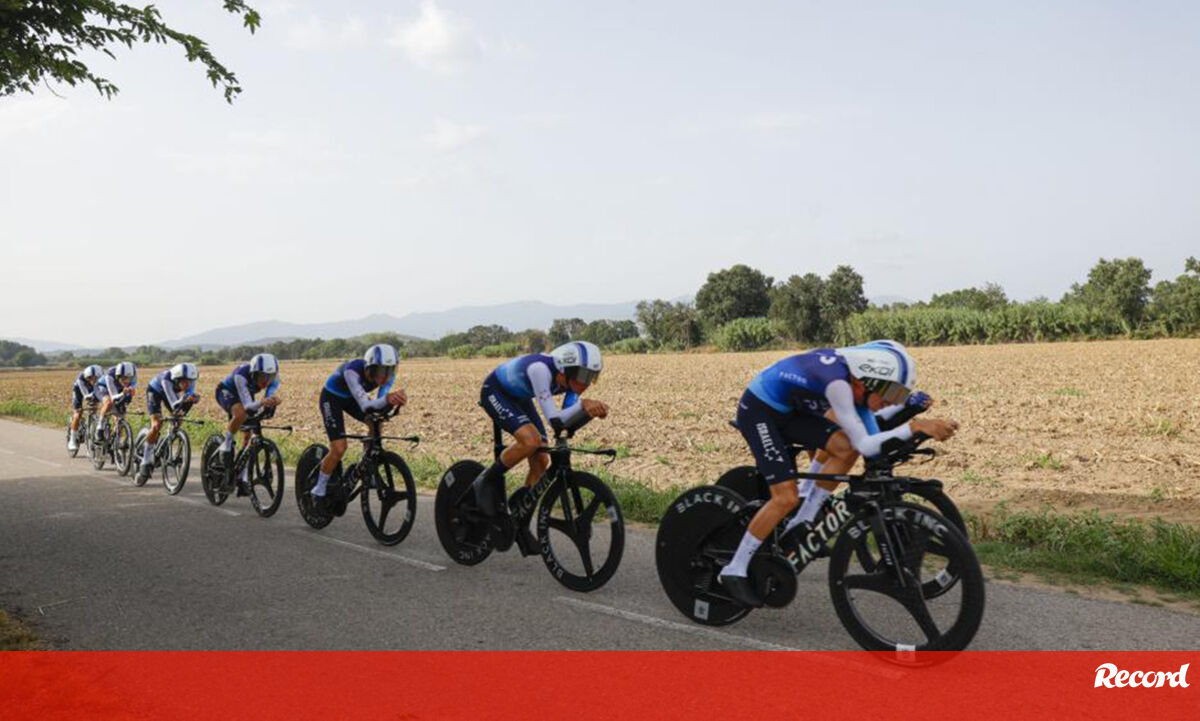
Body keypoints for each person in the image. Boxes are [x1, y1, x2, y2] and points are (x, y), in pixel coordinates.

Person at [718, 341, 959, 608]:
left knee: (846, 448)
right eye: (886, 397)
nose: (888, 403)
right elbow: (868, 444)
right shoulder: (839, 386)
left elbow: (872, 442)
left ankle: (803, 521)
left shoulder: (861, 388)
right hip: (760, 410)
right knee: (785, 497)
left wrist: (911, 414)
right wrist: (915, 427)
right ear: (863, 383)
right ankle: (734, 569)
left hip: (792, 410)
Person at [471, 341, 609, 549]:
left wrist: (588, 413)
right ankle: (484, 481)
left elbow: (564, 423)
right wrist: (583, 406)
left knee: (541, 459)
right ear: (565, 370)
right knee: (531, 441)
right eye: (584, 375)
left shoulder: (572, 382)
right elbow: (554, 418)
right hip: (496, 391)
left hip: (520, 397)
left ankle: (521, 522)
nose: (586, 383)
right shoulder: (540, 370)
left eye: (592, 377)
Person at [311, 344, 407, 508]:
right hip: (332, 398)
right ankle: (318, 489)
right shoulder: (352, 371)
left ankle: (367, 464)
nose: (386, 377)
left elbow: (378, 405)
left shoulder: (388, 377)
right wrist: (387, 399)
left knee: (376, 421)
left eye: (390, 370)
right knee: (339, 448)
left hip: (352, 398)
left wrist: (392, 401)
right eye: (381, 371)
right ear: (370, 368)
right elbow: (365, 405)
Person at [214, 353, 281, 492]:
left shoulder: (275, 379)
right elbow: (248, 406)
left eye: (270, 377)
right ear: (254, 374)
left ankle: (242, 476)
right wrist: (262, 402)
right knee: (241, 414)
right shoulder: (241, 376)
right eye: (262, 377)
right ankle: (226, 444)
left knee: (247, 437)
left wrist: (271, 401)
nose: (266, 382)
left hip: (245, 393)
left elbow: (268, 397)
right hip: (226, 391)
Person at [136, 363, 201, 483]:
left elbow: (186, 399)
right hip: (155, 391)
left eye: (190, 381)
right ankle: (146, 459)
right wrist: (185, 399)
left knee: (179, 418)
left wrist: (192, 399)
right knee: (156, 424)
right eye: (184, 382)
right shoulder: (167, 380)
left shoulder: (191, 381)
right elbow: (174, 404)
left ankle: (167, 439)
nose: (188, 385)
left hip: (169, 393)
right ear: (177, 379)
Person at [94, 362, 137, 440]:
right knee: (108, 402)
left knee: (121, 414)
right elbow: (113, 397)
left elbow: (130, 392)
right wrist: (123, 393)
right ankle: (99, 427)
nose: (126, 381)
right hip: (103, 387)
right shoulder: (110, 376)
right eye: (123, 379)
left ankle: (116, 439)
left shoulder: (133, 373)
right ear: (118, 376)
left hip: (118, 387)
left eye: (129, 379)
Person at [67, 364, 104, 451]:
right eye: (90, 378)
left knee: (94, 408)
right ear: (86, 377)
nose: (92, 380)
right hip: (79, 390)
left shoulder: (102, 377)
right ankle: (72, 439)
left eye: (95, 378)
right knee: (78, 413)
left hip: (94, 389)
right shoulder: (81, 379)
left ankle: (91, 428)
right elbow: (86, 395)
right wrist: (89, 398)